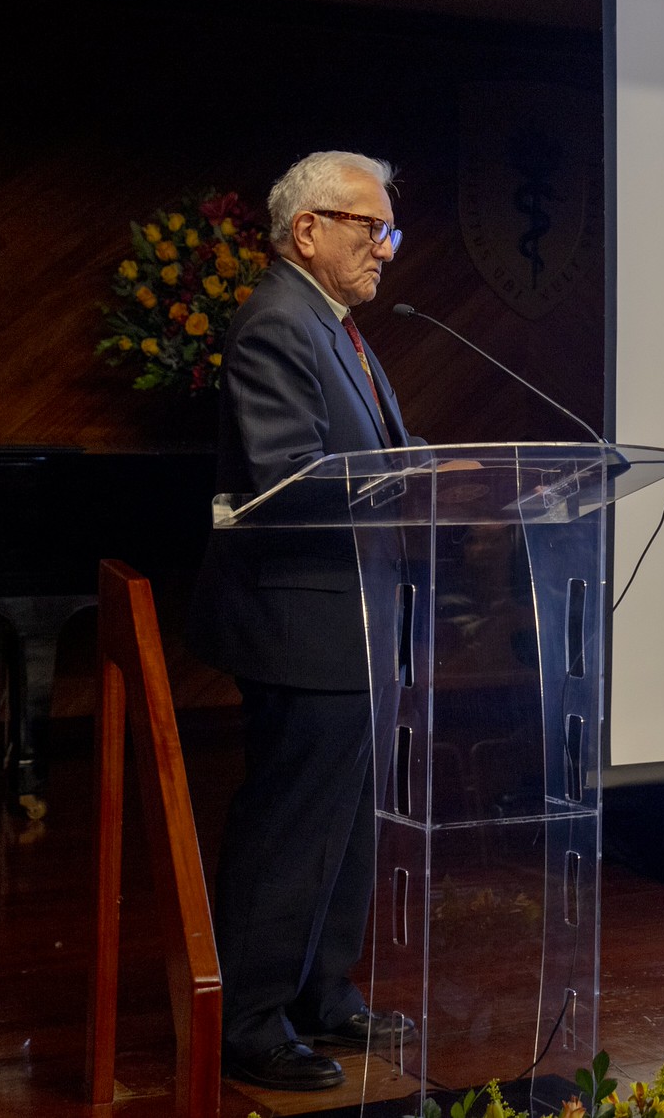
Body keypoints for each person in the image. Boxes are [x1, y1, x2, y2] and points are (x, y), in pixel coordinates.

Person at [190, 150, 416, 1092]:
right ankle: (249, 1016)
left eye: (389, 231)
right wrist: (403, 487)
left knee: (347, 822)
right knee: (293, 823)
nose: (385, 250)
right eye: (370, 228)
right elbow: (287, 477)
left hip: (351, 620)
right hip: (302, 619)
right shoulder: (277, 324)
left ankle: (324, 991)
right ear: (308, 229)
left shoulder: (334, 329)